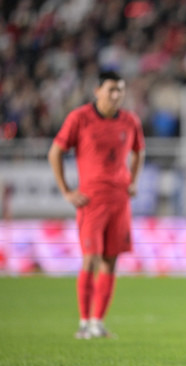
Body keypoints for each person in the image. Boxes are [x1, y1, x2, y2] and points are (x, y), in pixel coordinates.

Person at [48, 70, 145, 339]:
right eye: (111, 90)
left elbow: (139, 151)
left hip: (119, 200)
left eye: (120, 90)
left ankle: (97, 323)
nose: (116, 95)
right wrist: (67, 191)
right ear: (97, 90)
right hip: (91, 200)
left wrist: (133, 181)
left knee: (110, 261)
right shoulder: (79, 118)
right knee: (90, 259)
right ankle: (83, 323)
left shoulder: (130, 121)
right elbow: (55, 151)